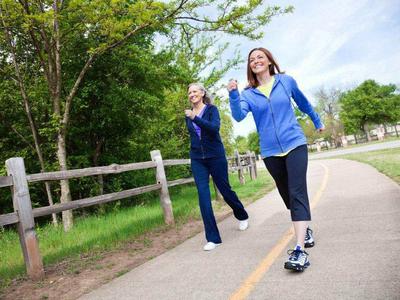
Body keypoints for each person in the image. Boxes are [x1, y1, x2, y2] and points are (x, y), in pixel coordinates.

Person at [227, 47, 324, 271]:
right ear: (249, 67)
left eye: (260, 57)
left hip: (294, 143)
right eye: (252, 59)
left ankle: (300, 250)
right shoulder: (248, 94)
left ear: (270, 61)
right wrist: (233, 94)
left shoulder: (286, 81)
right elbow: (239, 116)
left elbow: (303, 102)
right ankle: (305, 227)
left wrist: (317, 120)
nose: (256, 61)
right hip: (270, 151)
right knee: (286, 193)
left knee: (297, 191)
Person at [185, 83, 249, 251]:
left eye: (195, 91)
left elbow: (214, 129)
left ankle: (241, 215)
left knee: (225, 190)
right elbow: (194, 136)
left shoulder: (212, 109)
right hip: (198, 159)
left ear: (202, 93)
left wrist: (195, 118)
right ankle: (213, 238)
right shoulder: (188, 114)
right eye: (189, 92)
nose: (192, 94)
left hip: (216, 156)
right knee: (203, 196)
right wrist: (194, 150)